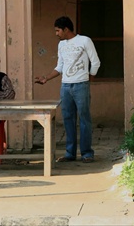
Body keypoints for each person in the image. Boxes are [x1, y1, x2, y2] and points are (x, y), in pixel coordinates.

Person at [35, 16, 100, 163]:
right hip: (65, 86)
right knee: (68, 119)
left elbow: (95, 62)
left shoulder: (84, 40)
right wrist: (46, 78)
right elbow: (60, 67)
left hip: (81, 85)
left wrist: (89, 79)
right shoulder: (61, 45)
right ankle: (70, 153)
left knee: (84, 119)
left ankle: (87, 153)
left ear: (66, 29)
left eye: (58, 30)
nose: (56, 34)